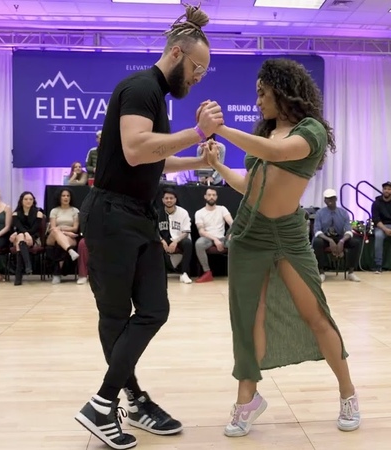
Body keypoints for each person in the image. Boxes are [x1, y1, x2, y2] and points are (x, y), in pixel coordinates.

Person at [75, 4, 221, 449]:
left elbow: (152, 160)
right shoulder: (141, 87)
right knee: (116, 316)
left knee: (154, 309)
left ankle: (107, 402)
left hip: (137, 214)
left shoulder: (155, 95)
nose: (198, 78)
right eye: (197, 68)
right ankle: (127, 400)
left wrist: (198, 160)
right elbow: (137, 149)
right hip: (111, 215)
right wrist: (197, 133)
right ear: (177, 54)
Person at [204, 58, 360, 438]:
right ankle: (247, 400)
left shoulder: (311, 132)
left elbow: (277, 154)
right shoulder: (267, 133)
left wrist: (220, 128)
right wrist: (218, 166)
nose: (258, 101)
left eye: (263, 93)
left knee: (316, 315)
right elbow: (250, 187)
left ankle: (348, 393)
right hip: (249, 235)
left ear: (283, 90)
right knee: (248, 321)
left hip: (288, 236)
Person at [311, 188, 362, 282]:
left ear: (336, 199)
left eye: (332, 198)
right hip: (325, 237)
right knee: (317, 242)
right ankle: (321, 272)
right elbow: (317, 231)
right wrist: (330, 240)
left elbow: (348, 231)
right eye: (327, 198)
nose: (329, 200)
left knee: (356, 242)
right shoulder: (320, 213)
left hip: (339, 236)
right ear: (324, 200)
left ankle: (351, 272)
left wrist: (342, 241)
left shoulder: (343, 213)